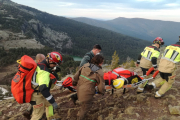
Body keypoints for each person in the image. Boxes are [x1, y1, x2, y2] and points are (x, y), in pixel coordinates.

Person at [30, 52, 63, 120]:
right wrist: (52, 101)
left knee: (49, 105)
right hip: (37, 95)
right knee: (37, 115)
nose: (55, 65)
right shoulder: (44, 71)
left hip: (39, 92)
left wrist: (53, 71)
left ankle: (50, 118)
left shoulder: (41, 64)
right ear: (50, 60)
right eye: (54, 63)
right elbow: (43, 88)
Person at [72, 54, 105, 120]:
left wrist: (74, 83)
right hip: (87, 91)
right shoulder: (99, 72)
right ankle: (80, 118)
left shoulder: (85, 65)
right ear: (100, 62)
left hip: (79, 88)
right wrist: (101, 92)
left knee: (82, 95)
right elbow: (101, 85)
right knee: (86, 106)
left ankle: (76, 97)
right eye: (102, 62)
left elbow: (76, 76)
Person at [23, 53, 45, 119]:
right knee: (37, 107)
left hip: (30, 88)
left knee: (35, 101)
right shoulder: (37, 67)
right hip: (35, 89)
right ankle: (33, 114)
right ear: (39, 60)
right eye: (43, 60)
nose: (45, 62)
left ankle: (28, 111)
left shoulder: (32, 66)